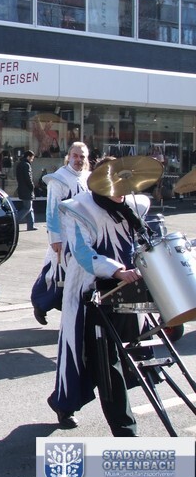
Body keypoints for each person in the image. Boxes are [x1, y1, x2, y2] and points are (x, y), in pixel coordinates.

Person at [47, 156, 150, 436]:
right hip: (90, 294)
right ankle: (125, 433)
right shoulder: (79, 208)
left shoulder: (132, 208)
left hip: (125, 291)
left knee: (109, 360)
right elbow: (83, 253)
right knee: (103, 362)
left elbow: (142, 245)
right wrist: (117, 271)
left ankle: (64, 401)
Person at [31, 142, 90, 325]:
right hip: (64, 237)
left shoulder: (88, 177)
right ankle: (40, 304)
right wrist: (55, 238)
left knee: (78, 276)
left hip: (83, 237)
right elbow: (52, 210)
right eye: (75, 156)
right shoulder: (59, 179)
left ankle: (75, 312)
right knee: (56, 274)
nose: (78, 160)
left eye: (82, 156)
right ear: (68, 157)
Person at [15, 150, 37, 232]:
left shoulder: (20, 164)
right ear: (28, 157)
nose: (32, 160)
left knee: (30, 208)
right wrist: (32, 186)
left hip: (22, 188)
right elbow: (28, 178)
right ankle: (14, 220)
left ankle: (31, 225)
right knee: (27, 208)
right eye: (32, 158)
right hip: (26, 189)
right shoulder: (26, 165)